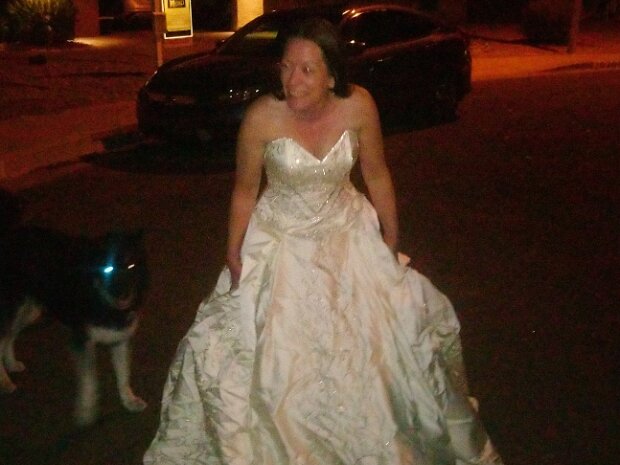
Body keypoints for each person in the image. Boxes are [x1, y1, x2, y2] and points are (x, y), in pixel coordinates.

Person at [144, 18, 504, 465]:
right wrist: (233, 251)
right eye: (286, 66)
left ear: (332, 76)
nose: (292, 80)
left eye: (306, 70)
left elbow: (376, 173)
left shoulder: (359, 106)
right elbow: (245, 191)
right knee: (274, 357)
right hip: (281, 240)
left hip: (347, 232)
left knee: (383, 344)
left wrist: (390, 236)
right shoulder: (262, 117)